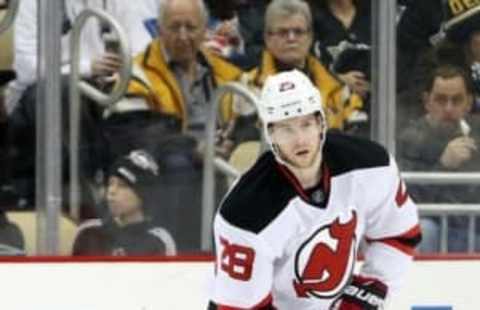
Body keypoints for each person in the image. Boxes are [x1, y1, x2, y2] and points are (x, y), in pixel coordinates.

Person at [208, 70, 421, 309]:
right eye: (286, 129)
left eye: (306, 124)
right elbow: (240, 306)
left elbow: (399, 234)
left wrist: (364, 296)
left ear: (321, 122)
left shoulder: (370, 163)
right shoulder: (244, 211)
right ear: (271, 134)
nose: (300, 140)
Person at [5, 0, 162, 212]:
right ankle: (85, 201)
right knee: (60, 93)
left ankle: (139, 205)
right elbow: (27, 68)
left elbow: (146, 50)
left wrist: (124, 69)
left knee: (140, 99)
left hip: (106, 88)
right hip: (38, 97)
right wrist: (86, 67)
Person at [229, 0, 363, 152]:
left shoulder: (337, 88)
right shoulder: (248, 86)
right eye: (283, 32)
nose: (291, 38)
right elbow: (242, 147)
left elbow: (356, 139)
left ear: (310, 37)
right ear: (267, 38)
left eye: (299, 32)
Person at [398, 64, 480, 253]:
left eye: (457, 100)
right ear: (427, 101)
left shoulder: (478, 133)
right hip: (435, 228)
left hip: (474, 229)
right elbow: (408, 198)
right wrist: (444, 165)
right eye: (441, 100)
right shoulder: (410, 138)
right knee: (424, 230)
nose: (449, 108)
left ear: (468, 102)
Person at [72, 149, 177, 256]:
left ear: (142, 196)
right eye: (110, 183)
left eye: (122, 185)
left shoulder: (158, 240)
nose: (111, 191)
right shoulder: (88, 232)